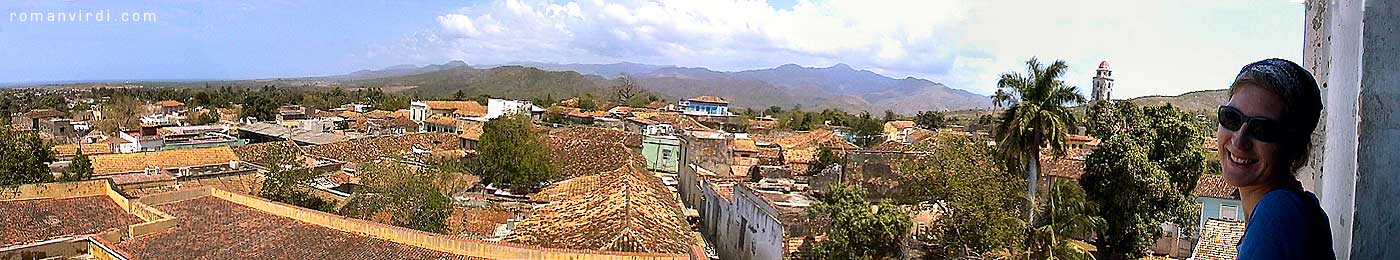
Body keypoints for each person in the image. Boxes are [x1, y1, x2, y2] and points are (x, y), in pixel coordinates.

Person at [1216, 58, 1334, 259]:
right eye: (1231, 118)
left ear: (1295, 147)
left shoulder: (1279, 214)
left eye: (1262, 129)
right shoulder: (1296, 207)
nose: (1239, 140)